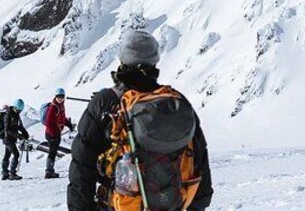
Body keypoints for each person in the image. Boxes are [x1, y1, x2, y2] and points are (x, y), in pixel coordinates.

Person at [68, 30, 213, 210]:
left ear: (122, 60)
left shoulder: (106, 102)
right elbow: (200, 158)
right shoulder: (176, 102)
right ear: (154, 61)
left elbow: (82, 165)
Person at [44, 87, 74, 179]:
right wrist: (55, 134)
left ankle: (50, 170)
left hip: (56, 133)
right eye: (58, 97)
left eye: (62, 97)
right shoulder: (53, 107)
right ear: (55, 97)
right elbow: (48, 122)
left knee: (53, 151)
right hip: (51, 134)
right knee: (52, 152)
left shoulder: (61, 106)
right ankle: (49, 171)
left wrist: (68, 124)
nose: (60, 99)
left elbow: (62, 118)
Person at [2, 98, 29, 181]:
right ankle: (12, 173)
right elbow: (7, 129)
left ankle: (5, 173)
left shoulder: (16, 115)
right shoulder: (8, 115)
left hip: (11, 139)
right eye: (18, 110)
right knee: (16, 154)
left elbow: (19, 126)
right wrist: (18, 135)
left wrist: (25, 134)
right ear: (15, 107)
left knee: (7, 155)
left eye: (20, 110)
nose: (19, 111)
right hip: (7, 138)